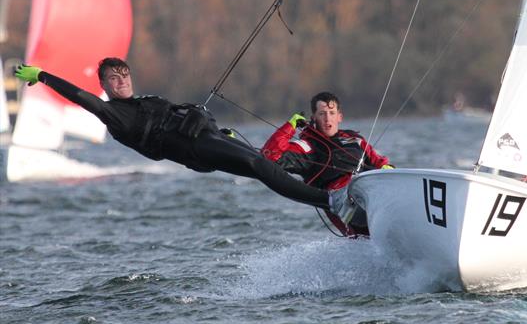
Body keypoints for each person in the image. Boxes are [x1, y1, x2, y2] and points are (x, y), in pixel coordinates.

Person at [14, 59, 354, 216]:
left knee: (264, 164)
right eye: (113, 79)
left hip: (210, 136)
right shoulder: (113, 113)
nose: (122, 81)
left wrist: (201, 115)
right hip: (195, 150)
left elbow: (187, 111)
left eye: (125, 75)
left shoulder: (144, 100)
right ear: (103, 85)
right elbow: (79, 96)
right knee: (256, 162)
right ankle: (330, 202)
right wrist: (44, 76)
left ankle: (332, 193)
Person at [261, 91, 392, 237]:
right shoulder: (307, 146)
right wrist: (290, 126)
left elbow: (380, 162)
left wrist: (387, 168)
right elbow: (269, 154)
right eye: (322, 114)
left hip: (371, 192)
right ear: (313, 118)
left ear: (339, 117)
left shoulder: (356, 140)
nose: (327, 118)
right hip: (341, 202)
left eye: (331, 112)